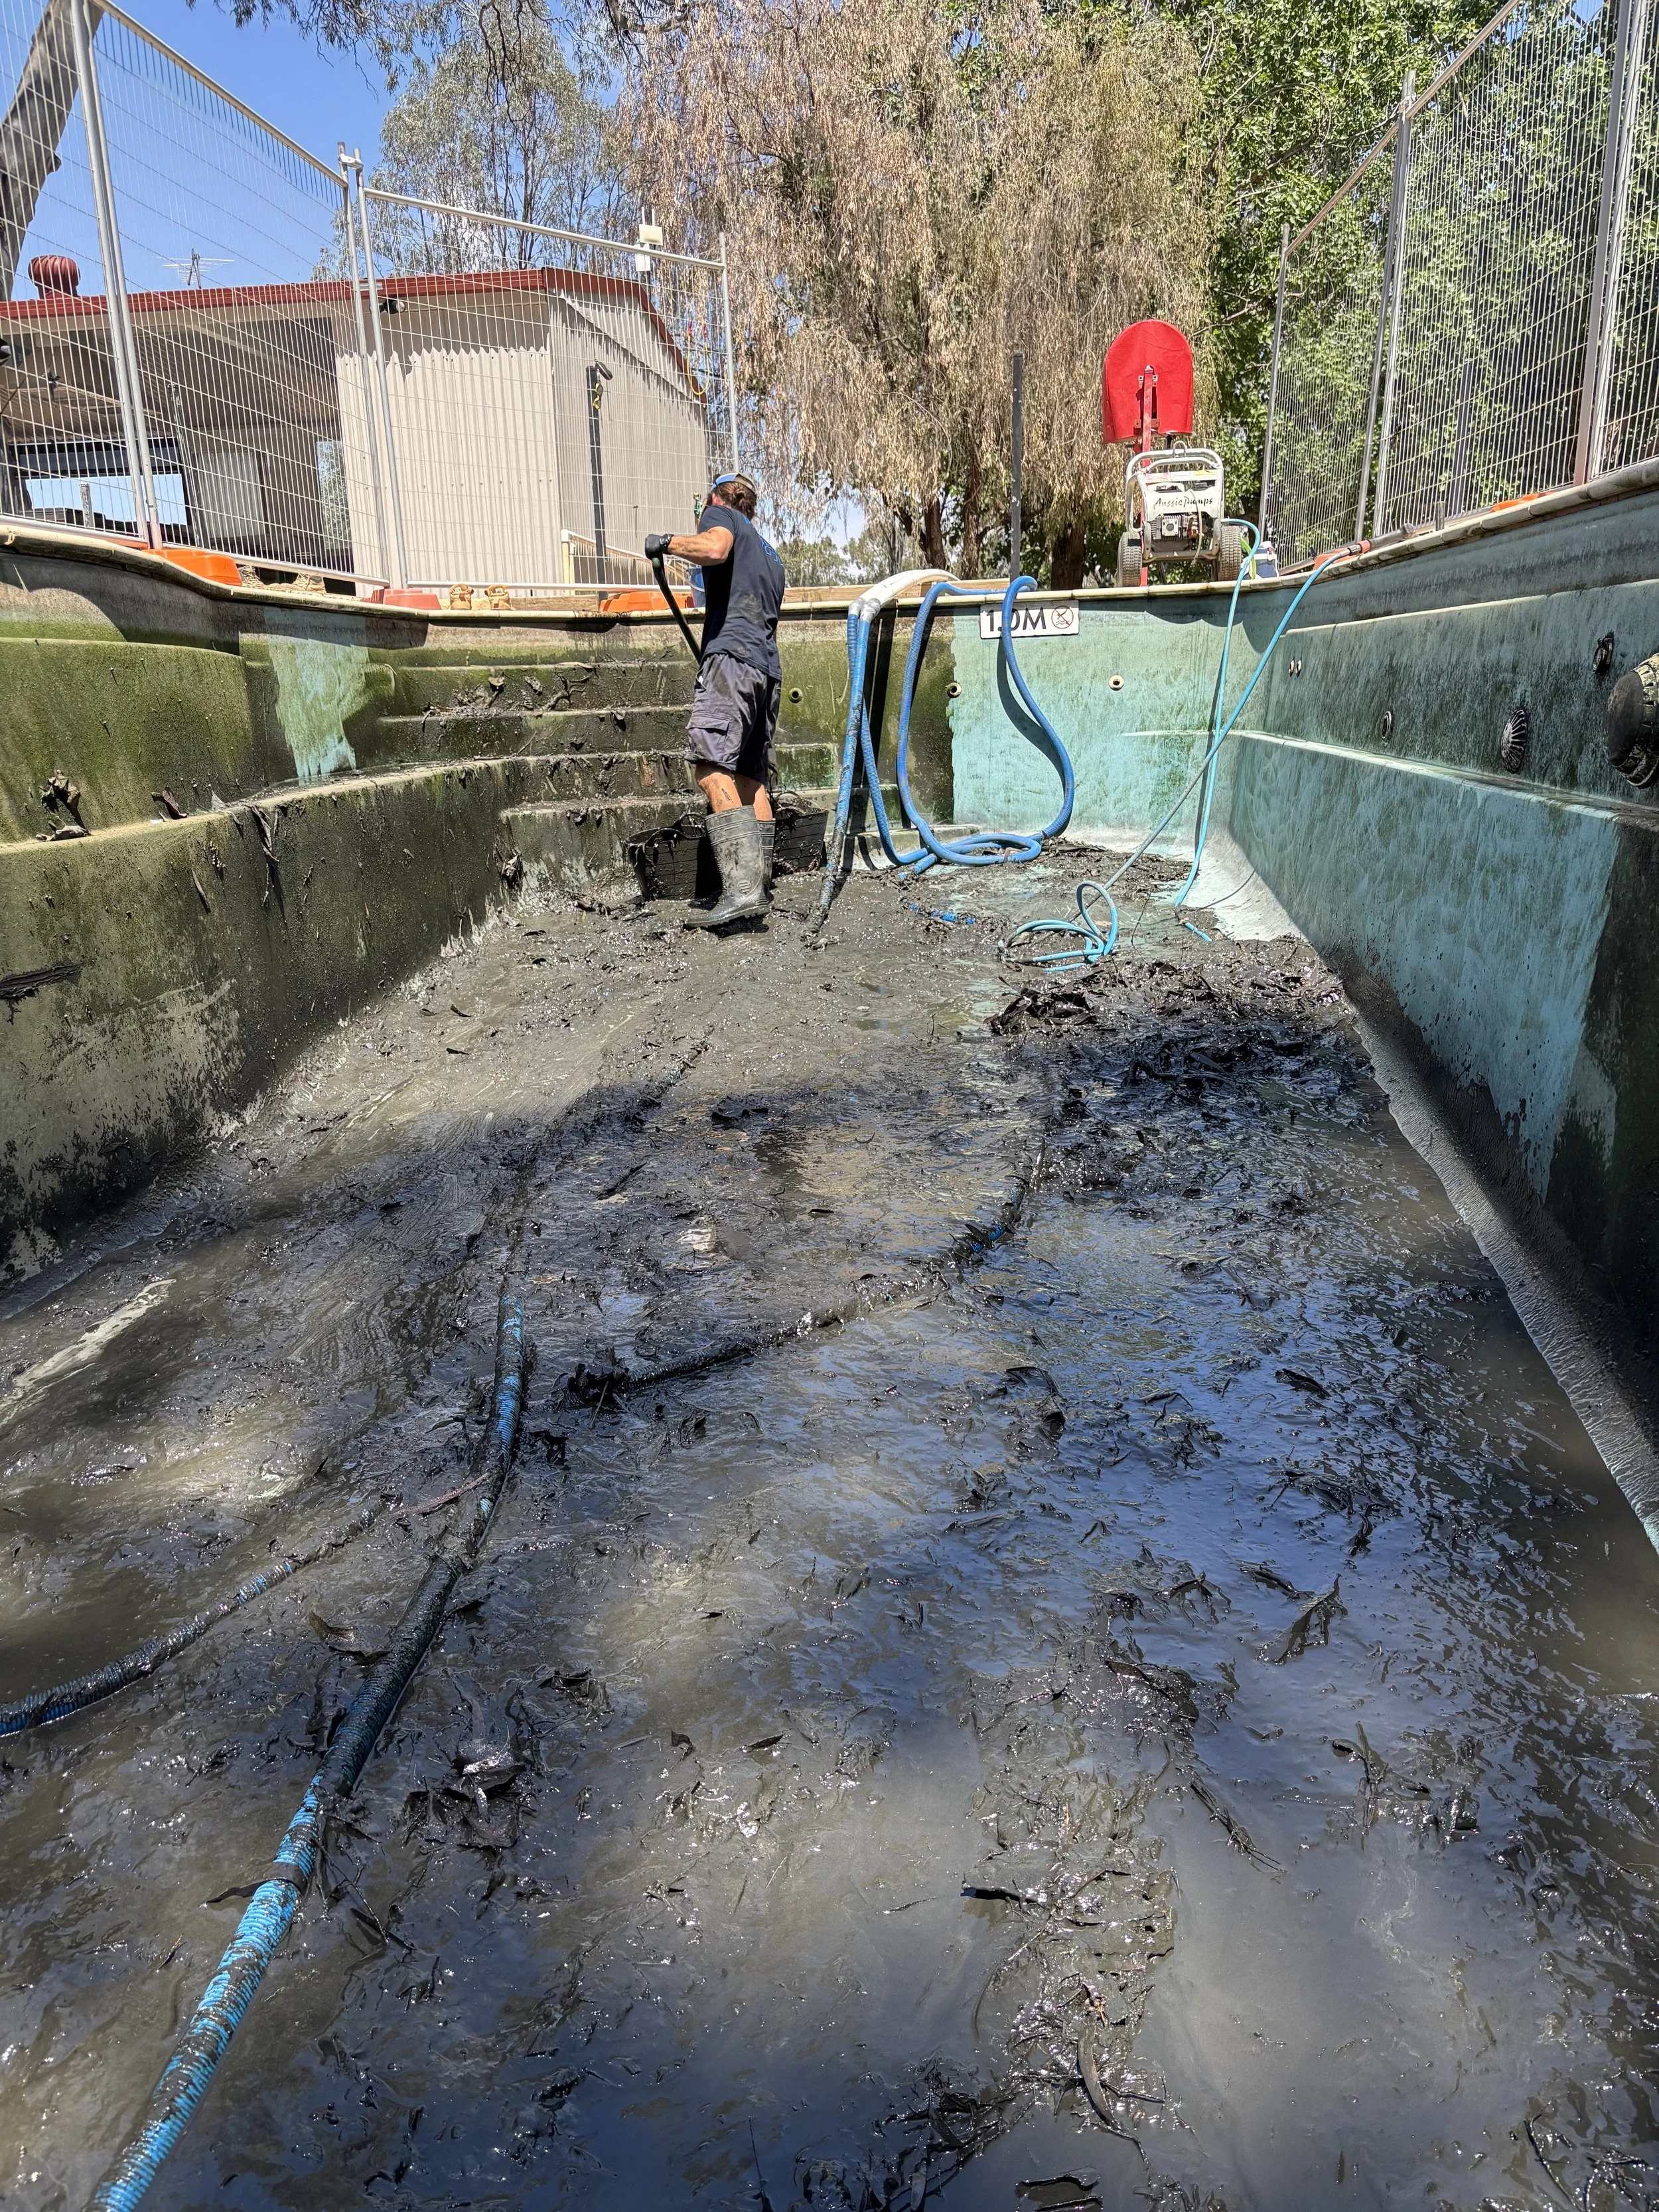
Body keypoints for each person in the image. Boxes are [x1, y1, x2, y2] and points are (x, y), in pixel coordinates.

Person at [645, 471, 786, 930]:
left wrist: (666, 542)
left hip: (732, 663)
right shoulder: (772, 556)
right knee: (750, 780)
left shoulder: (720, 515)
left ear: (717, 499)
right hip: (766, 670)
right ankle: (758, 884)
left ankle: (743, 892)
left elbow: (714, 548)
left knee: (709, 767)